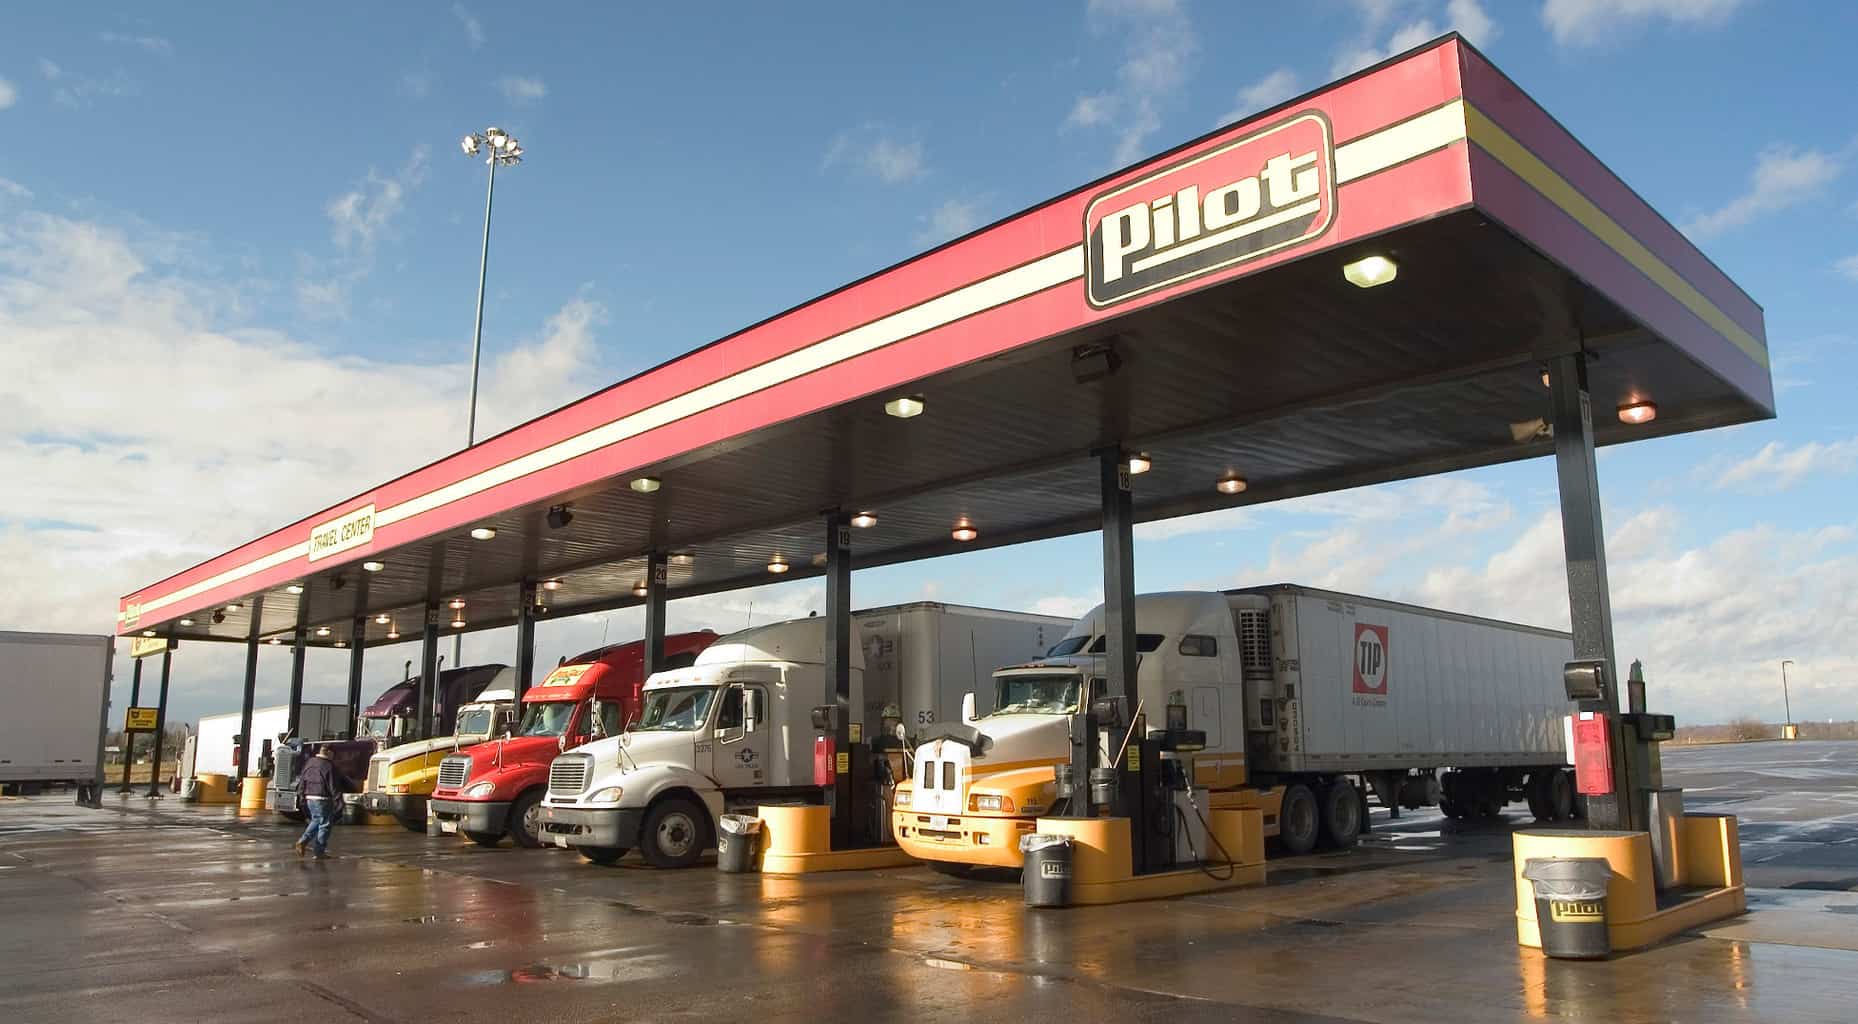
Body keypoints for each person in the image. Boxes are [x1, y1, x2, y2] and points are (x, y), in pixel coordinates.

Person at [293, 747, 347, 860]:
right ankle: (316, 850)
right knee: (325, 824)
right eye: (333, 753)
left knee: (317, 820)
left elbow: (302, 780)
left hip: (309, 796)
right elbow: (333, 785)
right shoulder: (328, 766)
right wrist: (339, 801)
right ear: (329, 753)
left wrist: (301, 796)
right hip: (323, 798)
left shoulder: (310, 763)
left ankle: (306, 843)